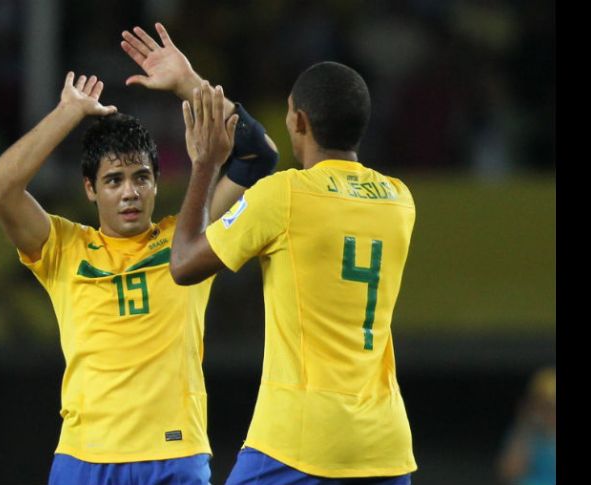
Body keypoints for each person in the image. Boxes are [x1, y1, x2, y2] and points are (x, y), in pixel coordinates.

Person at [0, 23, 277, 484]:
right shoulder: (61, 247)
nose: (129, 193)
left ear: (157, 183)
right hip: (84, 459)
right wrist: (67, 113)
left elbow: (258, 154)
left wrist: (189, 84)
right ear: (90, 190)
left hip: (174, 455)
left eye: (141, 177)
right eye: (114, 181)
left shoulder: (190, 238)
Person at [170, 62, 417, 484]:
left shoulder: (284, 195)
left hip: (301, 440)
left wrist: (204, 165)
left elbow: (184, 263)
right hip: (385, 445)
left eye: (288, 112)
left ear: (299, 120)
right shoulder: (399, 200)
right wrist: (190, 84)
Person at [497, 367, 556, 485]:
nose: (547, 413)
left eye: (551, 407)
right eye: (542, 406)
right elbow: (508, 471)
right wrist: (525, 428)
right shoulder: (527, 433)